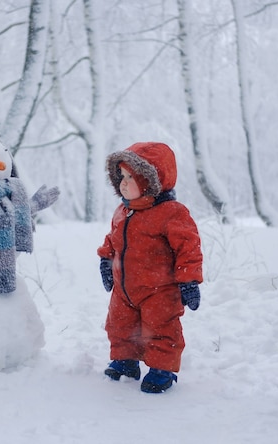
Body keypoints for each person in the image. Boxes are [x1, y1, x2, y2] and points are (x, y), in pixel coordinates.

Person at [97, 141, 203, 393]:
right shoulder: (122, 211)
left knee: (161, 327)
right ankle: (125, 361)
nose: (123, 183)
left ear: (150, 181)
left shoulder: (171, 213)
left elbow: (188, 248)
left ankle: (162, 369)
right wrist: (106, 260)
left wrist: (189, 281)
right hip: (124, 289)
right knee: (120, 324)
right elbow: (112, 240)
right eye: (120, 176)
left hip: (160, 290)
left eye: (130, 177)